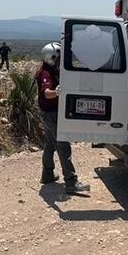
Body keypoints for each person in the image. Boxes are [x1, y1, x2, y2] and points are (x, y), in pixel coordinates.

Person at [36, 42, 91, 194]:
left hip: (47, 114)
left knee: (49, 145)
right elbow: (47, 93)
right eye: (58, 58)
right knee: (63, 146)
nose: (61, 61)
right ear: (51, 58)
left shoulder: (49, 70)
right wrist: (57, 92)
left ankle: (47, 174)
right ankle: (71, 182)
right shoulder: (46, 73)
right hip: (52, 114)